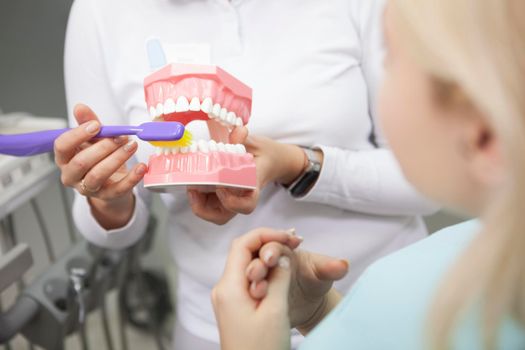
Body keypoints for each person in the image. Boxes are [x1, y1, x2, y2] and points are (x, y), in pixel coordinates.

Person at [57, 0, 435, 348]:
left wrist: (297, 165)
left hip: (388, 304)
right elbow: (108, 230)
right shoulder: (100, 12)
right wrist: (109, 199)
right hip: (218, 325)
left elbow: (431, 179)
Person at [212, 0, 525, 349]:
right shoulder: (470, 264)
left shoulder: (441, 294)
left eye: (390, 59)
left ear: (483, 137)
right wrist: (321, 313)